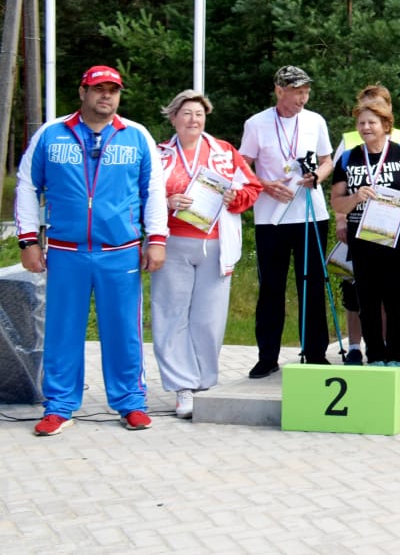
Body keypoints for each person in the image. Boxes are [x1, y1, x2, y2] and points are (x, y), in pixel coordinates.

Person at [16, 65, 168, 435]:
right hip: (67, 251)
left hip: (121, 250)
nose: (106, 96)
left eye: (113, 90)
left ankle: (130, 401)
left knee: (124, 329)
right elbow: (26, 185)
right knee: (62, 329)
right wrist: (28, 240)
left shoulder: (136, 136)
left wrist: (157, 239)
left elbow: (154, 190)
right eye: (98, 89)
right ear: (82, 92)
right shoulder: (51, 135)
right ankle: (60, 404)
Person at [155, 90, 263, 418]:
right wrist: (167, 201)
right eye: (186, 113)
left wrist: (235, 197)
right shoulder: (159, 155)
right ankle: (182, 387)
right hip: (173, 244)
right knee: (171, 314)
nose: (193, 120)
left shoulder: (224, 152)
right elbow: (139, 195)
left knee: (209, 318)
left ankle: (205, 382)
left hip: (216, 245)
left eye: (199, 114)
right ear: (173, 117)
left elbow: (253, 188)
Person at [240, 65, 336, 376]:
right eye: (297, 91)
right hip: (272, 216)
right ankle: (267, 356)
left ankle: (315, 352)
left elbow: (327, 160)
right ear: (280, 90)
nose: (303, 98)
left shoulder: (315, 121)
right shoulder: (256, 124)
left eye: (306, 91)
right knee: (272, 287)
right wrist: (265, 184)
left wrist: (317, 177)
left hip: (310, 212)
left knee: (311, 284)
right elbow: (243, 164)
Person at [330, 88, 400, 377]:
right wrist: (355, 198)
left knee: (396, 300)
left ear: (386, 125)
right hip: (363, 239)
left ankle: (395, 356)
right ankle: (375, 355)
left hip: (398, 239)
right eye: (362, 123)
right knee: (367, 300)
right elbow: (336, 201)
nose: (366, 128)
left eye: (372, 123)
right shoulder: (348, 158)